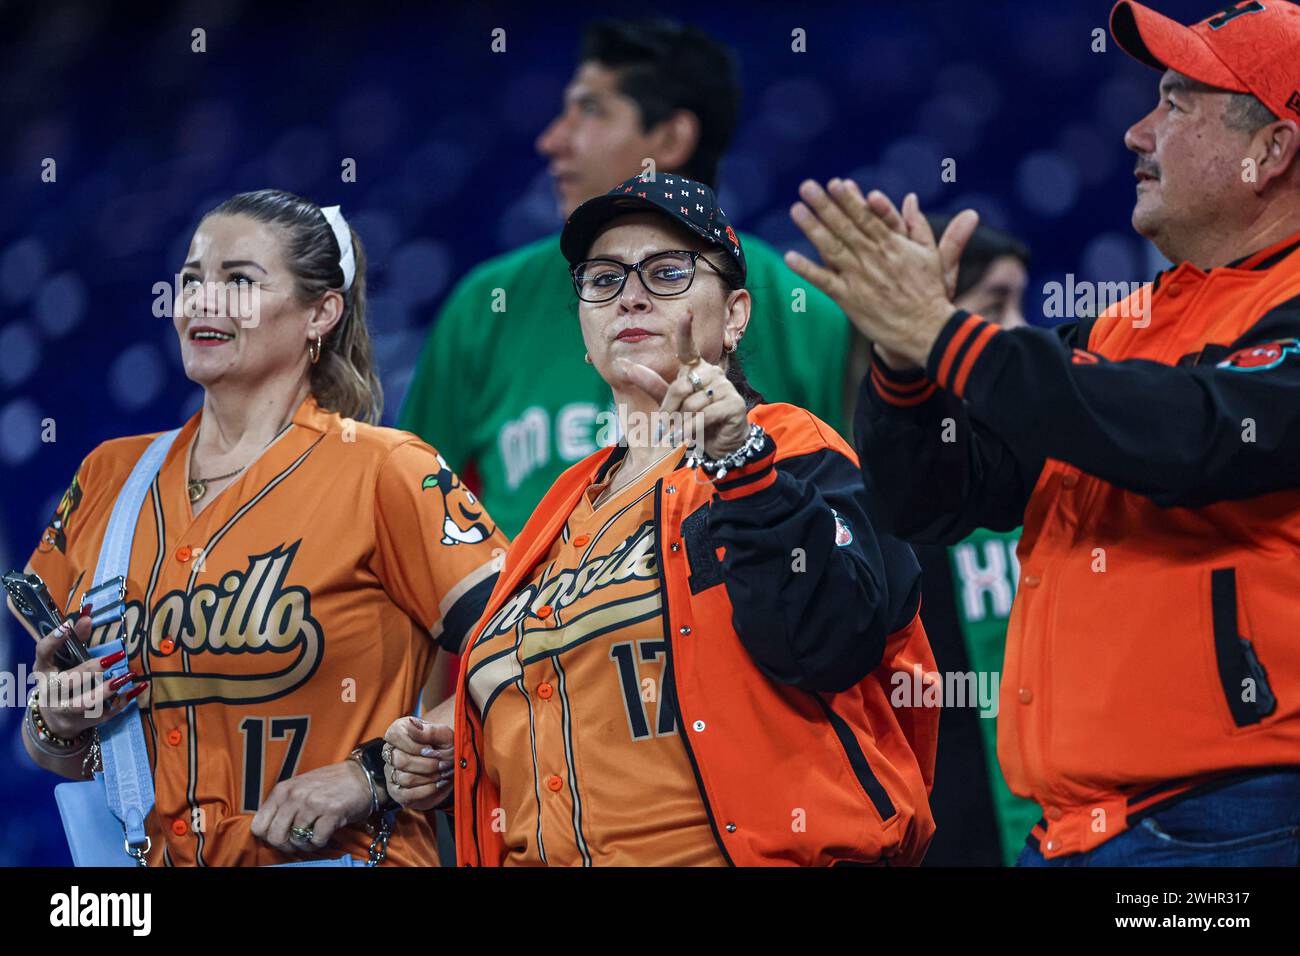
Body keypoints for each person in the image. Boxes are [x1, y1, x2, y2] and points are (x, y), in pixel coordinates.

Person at [785, 0, 1300, 866]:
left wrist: (946, 334)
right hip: (1074, 833)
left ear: (1271, 151)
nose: (1138, 133)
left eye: (1175, 103)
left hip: (1235, 825)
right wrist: (907, 367)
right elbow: (935, 497)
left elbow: (1195, 434)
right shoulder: (1118, 331)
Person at [385, 174, 937, 866]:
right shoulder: (554, 516)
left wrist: (742, 465)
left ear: (735, 315)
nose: (632, 295)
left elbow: (831, 644)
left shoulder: (793, 448)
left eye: (668, 272)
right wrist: (455, 750)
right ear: (585, 334)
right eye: (604, 278)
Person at [7, 189, 507, 866]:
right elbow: (54, 753)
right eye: (191, 281)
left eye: (238, 282)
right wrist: (56, 721)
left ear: (320, 312)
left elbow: (535, 654)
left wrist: (371, 776)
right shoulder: (109, 477)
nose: (201, 302)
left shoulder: (386, 470)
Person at [398, 18, 852, 540]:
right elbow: (416, 519)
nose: (552, 140)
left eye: (590, 109)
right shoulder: (484, 305)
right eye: (600, 281)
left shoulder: (804, 310)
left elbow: (849, 534)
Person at [846, 218, 1037, 867]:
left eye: (1021, 303)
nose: (1017, 328)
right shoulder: (860, 511)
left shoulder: (1057, 477)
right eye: (993, 305)